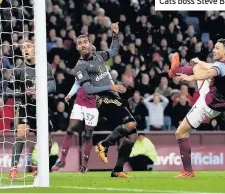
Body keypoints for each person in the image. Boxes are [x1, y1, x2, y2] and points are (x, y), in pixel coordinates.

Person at [74, 23, 138, 178]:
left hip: (113, 96)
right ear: (77, 48)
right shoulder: (80, 66)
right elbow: (88, 89)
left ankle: (117, 170)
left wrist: (115, 34)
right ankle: (103, 144)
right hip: (101, 98)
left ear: (90, 44)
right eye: (80, 43)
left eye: (85, 42)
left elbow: (114, 50)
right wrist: (111, 86)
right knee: (131, 124)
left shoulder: (98, 56)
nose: (83, 45)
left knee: (132, 135)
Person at [170, 38, 225, 178]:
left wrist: (190, 78)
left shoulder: (220, 67)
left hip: (207, 105)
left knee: (180, 133)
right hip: (217, 101)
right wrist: (199, 61)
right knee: (198, 66)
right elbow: (210, 67)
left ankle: (188, 171)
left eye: (217, 48)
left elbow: (209, 73)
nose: (214, 50)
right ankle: (174, 70)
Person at [8, 40, 56, 179]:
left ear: (35, 49)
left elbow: (53, 86)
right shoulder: (18, 69)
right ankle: (14, 169)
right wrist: (24, 94)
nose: (25, 49)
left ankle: (41, 169)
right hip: (24, 107)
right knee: (22, 134)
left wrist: (40, 91)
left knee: (47, 140)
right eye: (23, 47)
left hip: (40, 108)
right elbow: (8, 91)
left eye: (28, 46)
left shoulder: (44, 66)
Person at [52, 46, 98, 174]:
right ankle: (63, 159)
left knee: (88, 135)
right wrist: (70, 95)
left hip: (91, 105)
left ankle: (84, 165)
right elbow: (77, 83)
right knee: (70, 129)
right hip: (79, 102)